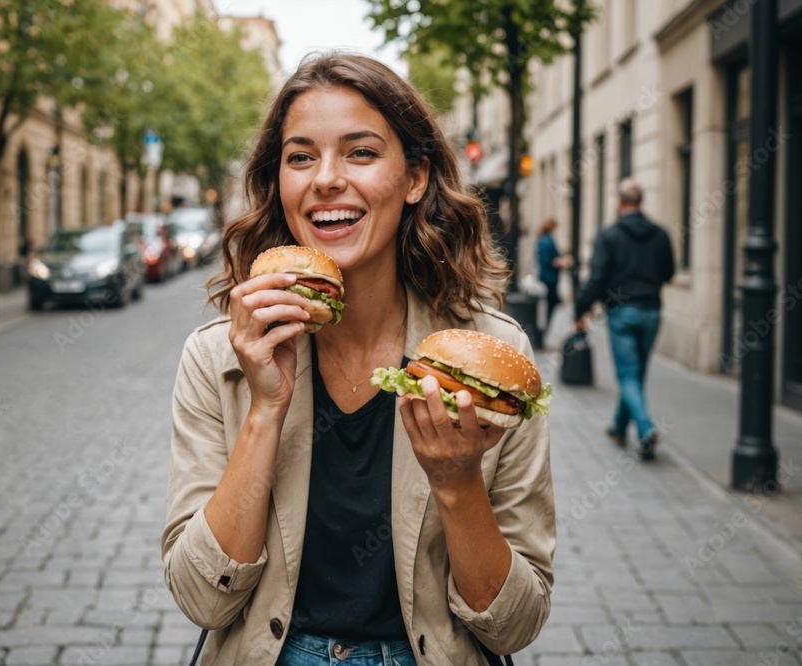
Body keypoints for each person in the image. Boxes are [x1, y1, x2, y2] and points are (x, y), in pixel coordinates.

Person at [162, 54, 554, 666]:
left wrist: (457, 484)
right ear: (279, 183)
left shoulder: (490, 363)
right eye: (300, 157)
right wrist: (266, 408)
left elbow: (516, 625)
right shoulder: (218, 357)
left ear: (416, 177)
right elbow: (200, 600)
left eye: (361, 152)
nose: (325, 179)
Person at [573, 179, 675, 460]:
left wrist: (580, 309)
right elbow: (669, 273)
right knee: (636, 372)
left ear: (620, 202)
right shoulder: (660, 234)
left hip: (622, 313)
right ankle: (619, 427)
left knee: (629, 374)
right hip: (652, 311)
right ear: (640, 201)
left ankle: (644, 430)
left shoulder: (610, 234)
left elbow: (596, 278)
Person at [535, 218, 573, 348]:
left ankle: (543, 333)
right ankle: (542, 333)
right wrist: (561, 262)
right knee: (550, 305)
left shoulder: (545, 239)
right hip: (548, 278)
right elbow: (547, 260)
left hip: (549, 278)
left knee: (551, 305)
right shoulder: (546, 240)